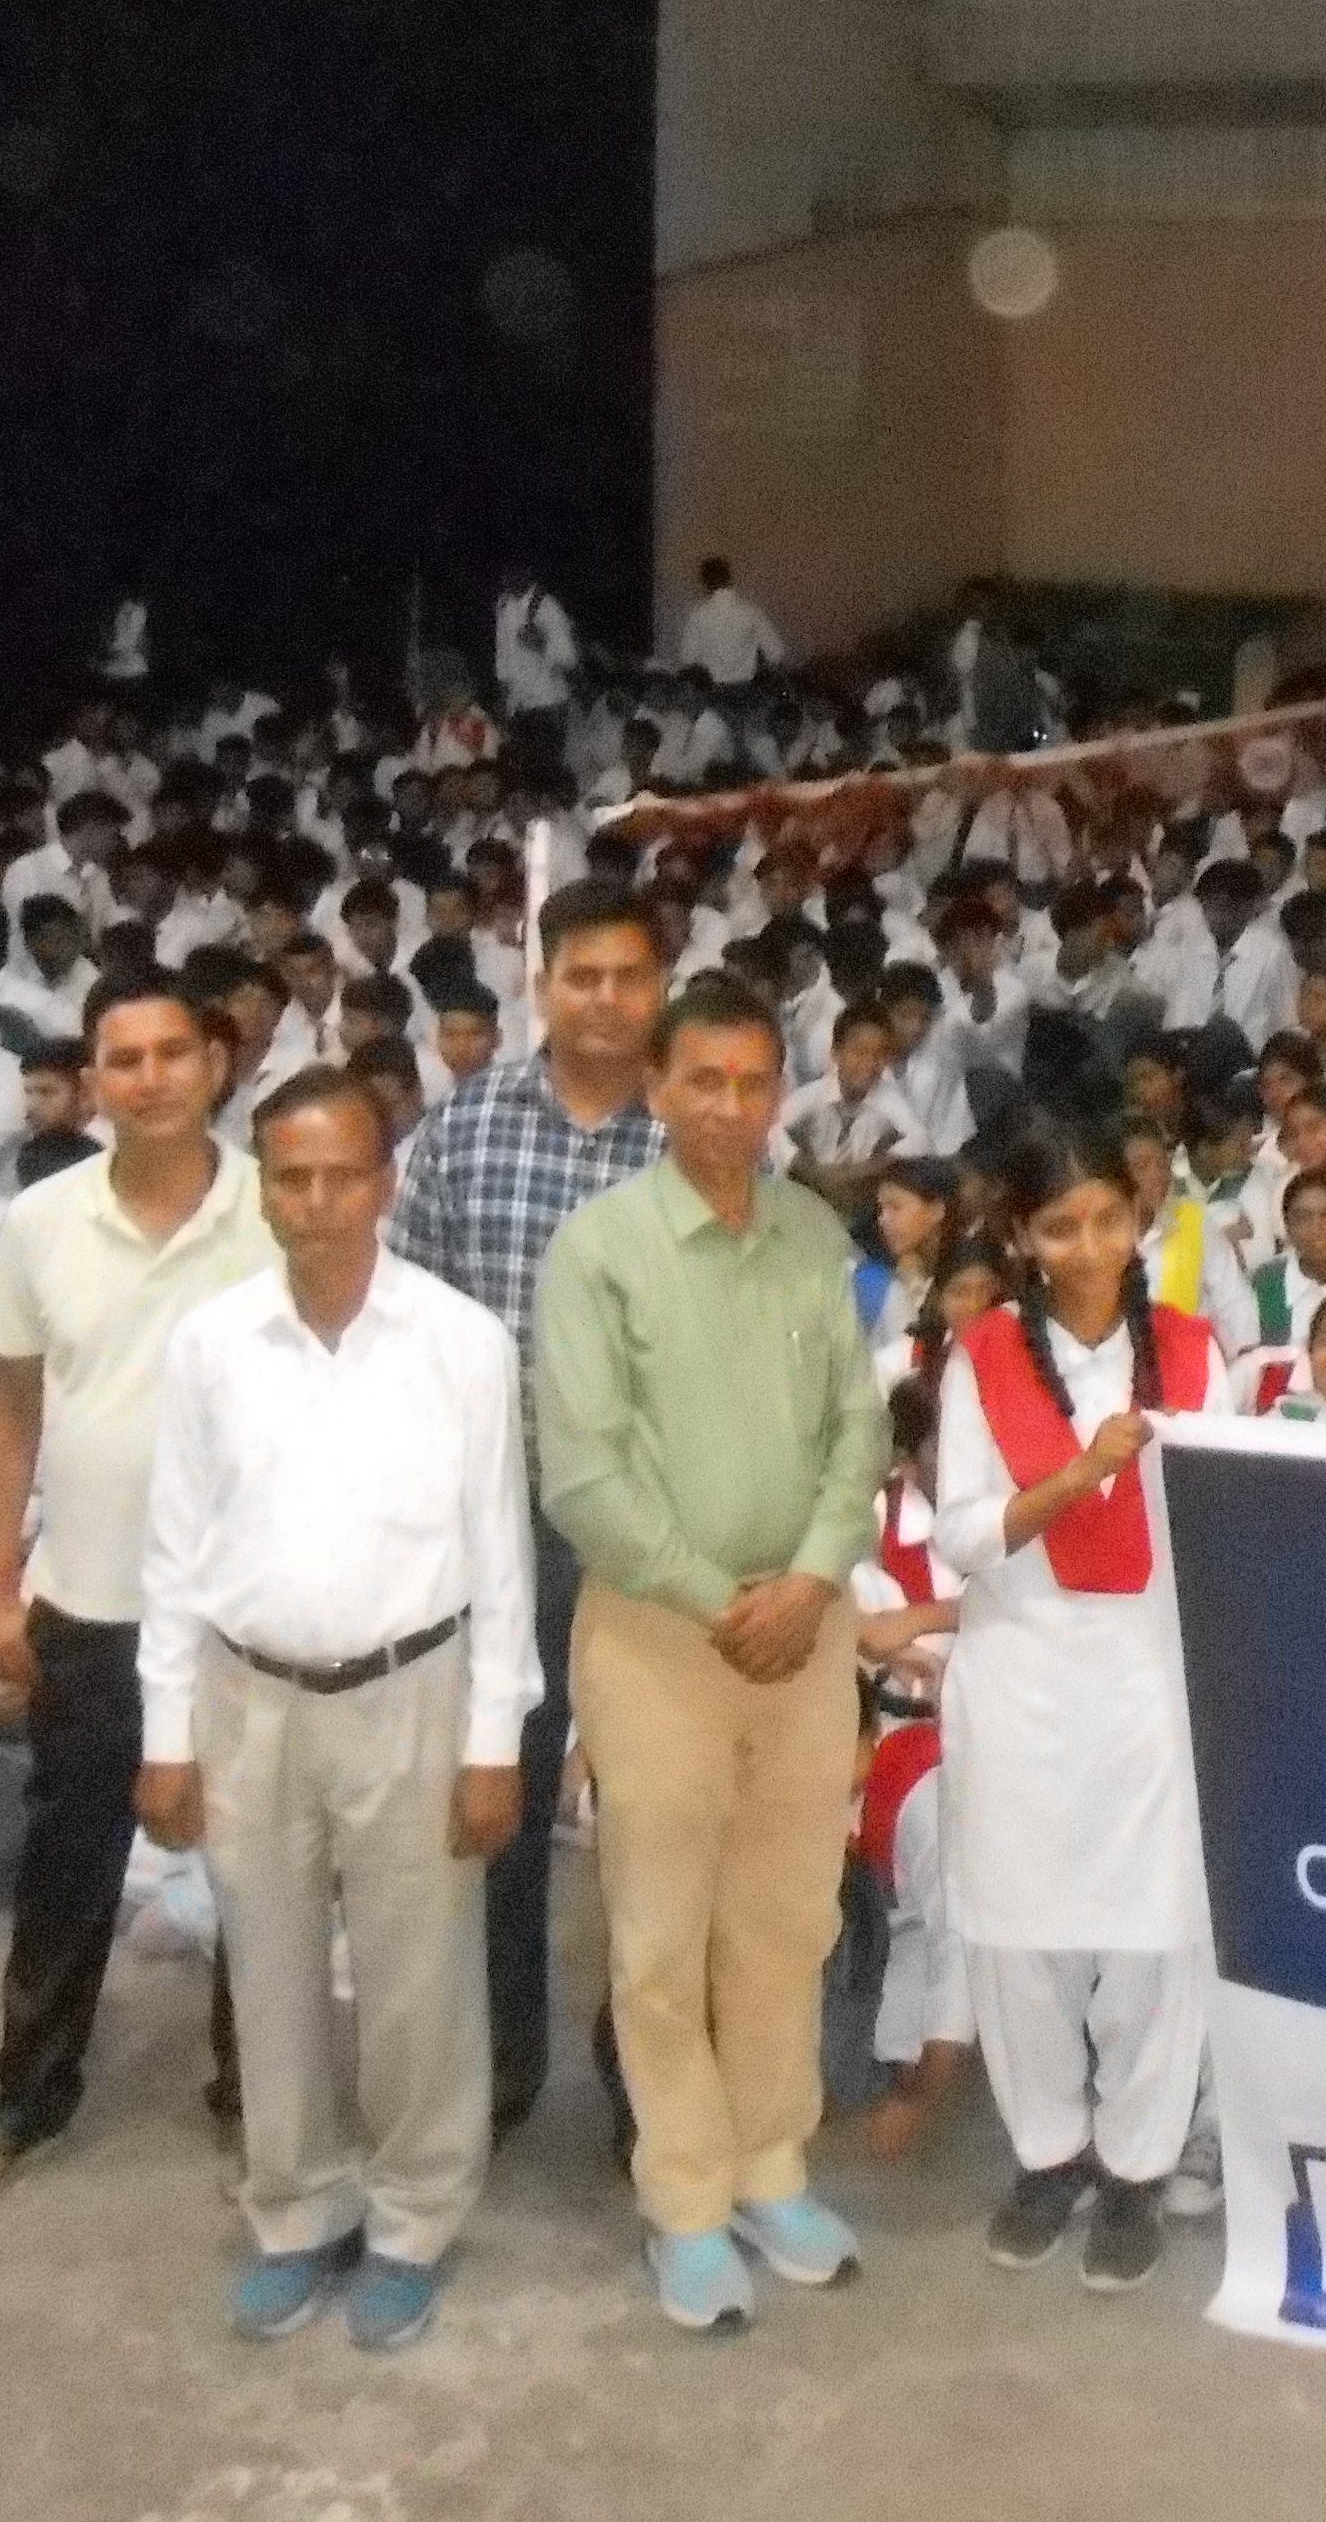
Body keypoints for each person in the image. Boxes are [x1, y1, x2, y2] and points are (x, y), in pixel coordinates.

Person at [134, 1070, 534, 2350]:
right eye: (291, 1178)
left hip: (414, 1694)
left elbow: (501, 1555)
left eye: (342, 1176)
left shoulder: (462, 1343)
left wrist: (494, 1742)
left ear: (386, 1185)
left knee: (421, 1982)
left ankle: (412, 2219)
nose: (317, 1203)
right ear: (263, 1191)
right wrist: (166, 1735)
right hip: (248, 1697)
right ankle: (297, 2209)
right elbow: (174, 1549)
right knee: (269, 1970)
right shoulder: (211, 1345)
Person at [529, 973, 889, 2334]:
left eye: (754, 1082)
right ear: (658, 1089)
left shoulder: (812, 1232)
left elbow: (859, 1427)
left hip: (807, 1627)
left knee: (788, 1920)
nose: (732, 1109)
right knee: (660, 1936)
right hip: (658, 1634)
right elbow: (583, 1472)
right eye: (705, 1082)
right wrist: (716, 1598)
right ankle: (684, 2198)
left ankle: (770, 2168)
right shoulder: (600, 1250)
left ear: (778, 1090)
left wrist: (813, 1574)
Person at [0, 984, 279, 2205]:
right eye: (124, 1059)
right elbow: (10, 1411)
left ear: (217, 1064)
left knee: (257, 1866)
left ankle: (257, 2100)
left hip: (247, 1607)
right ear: (92, 1082)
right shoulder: (41, 1221)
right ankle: (29, 2091)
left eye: (175, 1052)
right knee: (68, 1857)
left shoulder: (277, 1206)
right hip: (89, 1600)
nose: (151, 1078)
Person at [387, 878, 671, 2145]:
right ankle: (500, 2062)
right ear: (539, 985)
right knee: (495, 1799)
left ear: (661, 987)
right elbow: (406, 1329)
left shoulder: (697, 1133)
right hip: (496, 1525)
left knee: (653, 1819)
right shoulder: (464, 1130)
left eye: (629, 976)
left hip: (657, 1532)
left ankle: (644, 2081)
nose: (605, 1000)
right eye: (581, 976)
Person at [935, 1135, 1225, 2291]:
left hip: (1150, 1682)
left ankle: (1137, 2167)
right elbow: (963, 1535)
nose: (1090, 1247)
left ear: (1139, 1219)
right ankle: (1048, 2156)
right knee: (1021, 1935)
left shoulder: (1196, 1351)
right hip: (1023, 1679)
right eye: (1061, 1226)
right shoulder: (983, 1355)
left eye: (1109, 1218)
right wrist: (1074, 1476)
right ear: (1022, 1237)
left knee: (1154, 1939)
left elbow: (1222, 1525)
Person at [676, 557, 784, 690]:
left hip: (710, 690)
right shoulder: (751, 612)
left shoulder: (698, 614)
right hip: (744, 690)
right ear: (729, 578)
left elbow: (687, 657)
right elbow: (776, 652)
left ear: (704, 582)